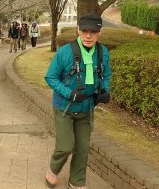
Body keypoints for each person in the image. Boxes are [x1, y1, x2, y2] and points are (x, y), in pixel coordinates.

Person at [44, 13, 112, 189]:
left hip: (86, 107)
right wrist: (69, 93)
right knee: (65, 146)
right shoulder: (65, 52)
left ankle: (77, 181)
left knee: (82, 148)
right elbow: (50, 77)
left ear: (99, 32)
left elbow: (106, 74)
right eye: (85, 31)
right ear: (78, 31)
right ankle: (53, 169)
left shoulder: (102, 52)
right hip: (64, 107)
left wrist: (105, 90)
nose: (89, 35)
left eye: (93, 31)